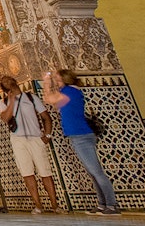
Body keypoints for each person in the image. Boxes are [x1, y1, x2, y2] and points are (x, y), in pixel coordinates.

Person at [42, 69, 120, 215]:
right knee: (92, 172)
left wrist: (46, 81)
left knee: (97, 172)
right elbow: (51, 100)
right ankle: (102, 204)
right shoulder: (67, 92)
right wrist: (48, 83)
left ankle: (112, 205)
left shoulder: (71, 91)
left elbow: (50, 99)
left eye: (58, 79)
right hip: (77, 136)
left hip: (82, 136)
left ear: (66, 79)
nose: (56, 81)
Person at [0, 75, 64, 214]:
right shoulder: (4, 102)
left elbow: (46, 117)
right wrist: (10, 101)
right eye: (4, 82)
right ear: (4, 88)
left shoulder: (31, 98)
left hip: (35, 138)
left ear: (15, 81)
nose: (7, 81)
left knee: (45, 172)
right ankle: (38, 206)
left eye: (8, 79)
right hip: (18, 139)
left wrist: (47, 135)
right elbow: (5, 118)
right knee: (27, 172)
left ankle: (55, 205)